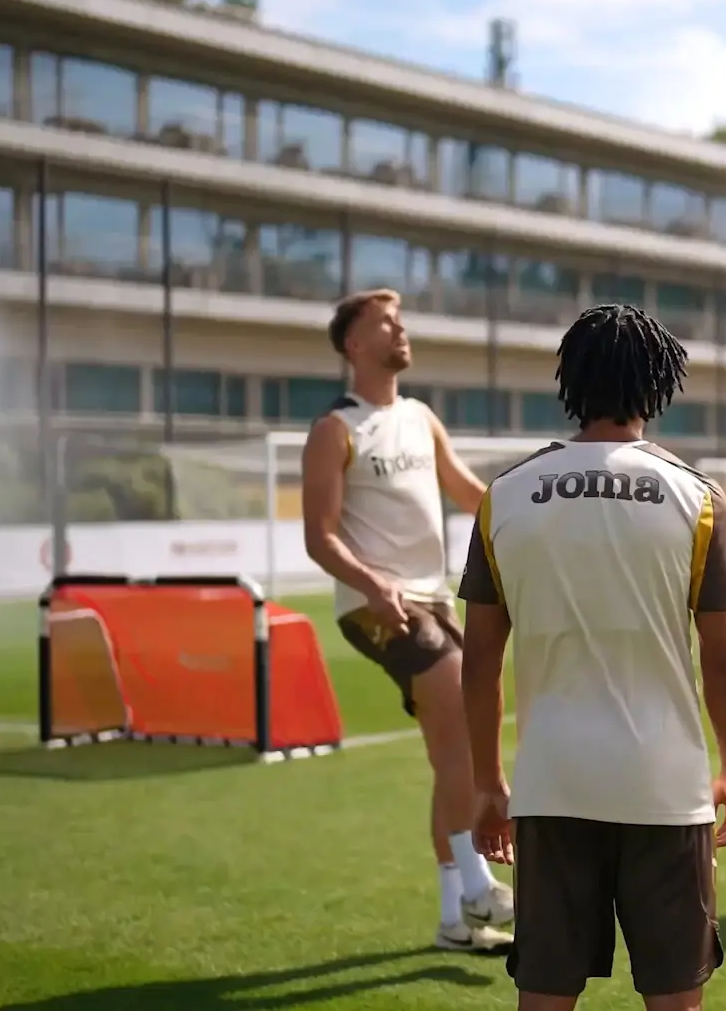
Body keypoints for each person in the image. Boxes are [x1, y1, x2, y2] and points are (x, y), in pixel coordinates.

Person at [461, 304, 726, 1010]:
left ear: (572, 382)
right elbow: (721, 660)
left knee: (544, 996)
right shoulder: (698, 499)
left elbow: (479, 659)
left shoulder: (504, 497)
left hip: (551, 783)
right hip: (665, 786)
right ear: (658, 384)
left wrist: (488, 782)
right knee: (675, 999)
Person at [300, 288, 515, 953]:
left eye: (400, 321)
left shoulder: (421, 417)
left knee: (453, 749)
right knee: (460, 713)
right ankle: (478, 883)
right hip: (375, 606)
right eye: (385, 323)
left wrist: (534, 512)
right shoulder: (335, 429)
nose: (400, 331)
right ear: (353, 345)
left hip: (434, 600)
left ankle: (454, 919)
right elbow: (318, 536)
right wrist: (374, 584)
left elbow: (469, 492)